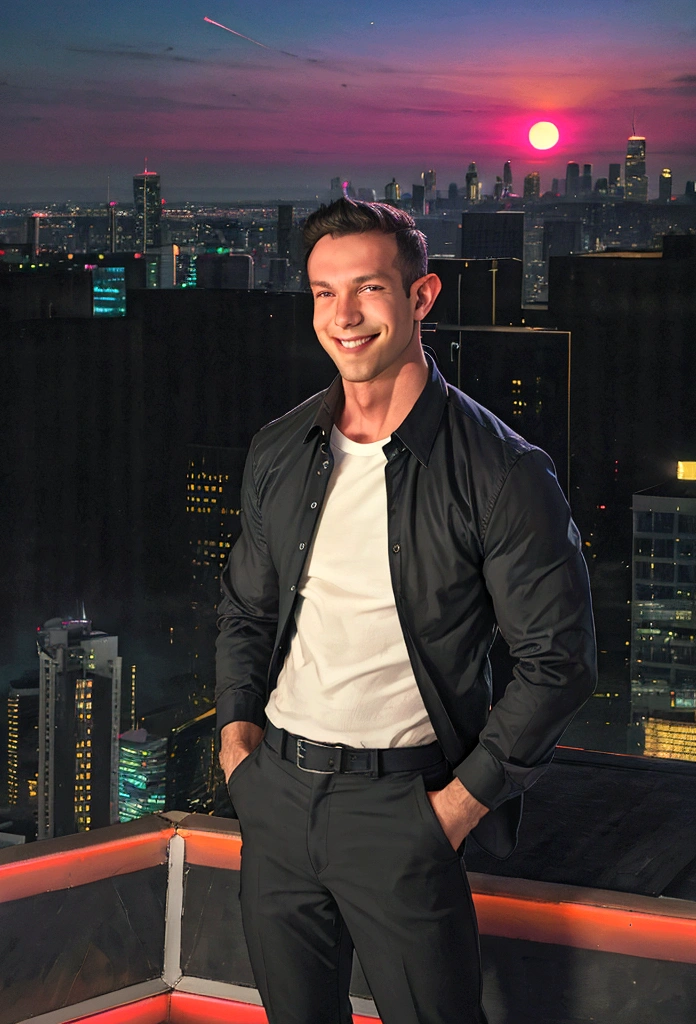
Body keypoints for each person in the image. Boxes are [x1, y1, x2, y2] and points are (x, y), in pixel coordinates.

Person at [215, 198, 597, 1024]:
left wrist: (452, 811)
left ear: (421, 297)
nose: (343, 317)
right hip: (275, 796)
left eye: (368, 289)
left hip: (401, 814)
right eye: (322, 293)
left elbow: (558, 660)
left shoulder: (500, 470)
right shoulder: (280, 450)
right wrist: (238, 745)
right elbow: (246, 610)